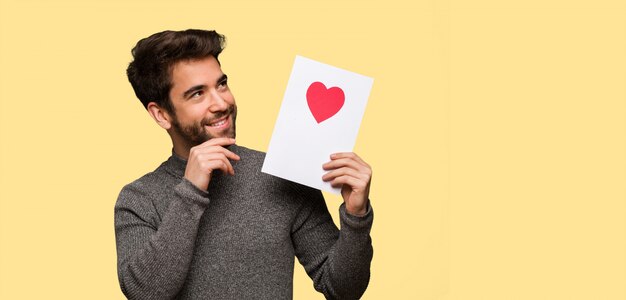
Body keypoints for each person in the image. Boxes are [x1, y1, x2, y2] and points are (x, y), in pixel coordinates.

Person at [114, 29, 374, 300]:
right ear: (161, 114)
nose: (221, 103)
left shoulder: (280, 173)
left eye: (221, 84)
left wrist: (356, 215)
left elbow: (343, 289)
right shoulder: (138, 199)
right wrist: (191, 191)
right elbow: (145, 293)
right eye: (197, 94)